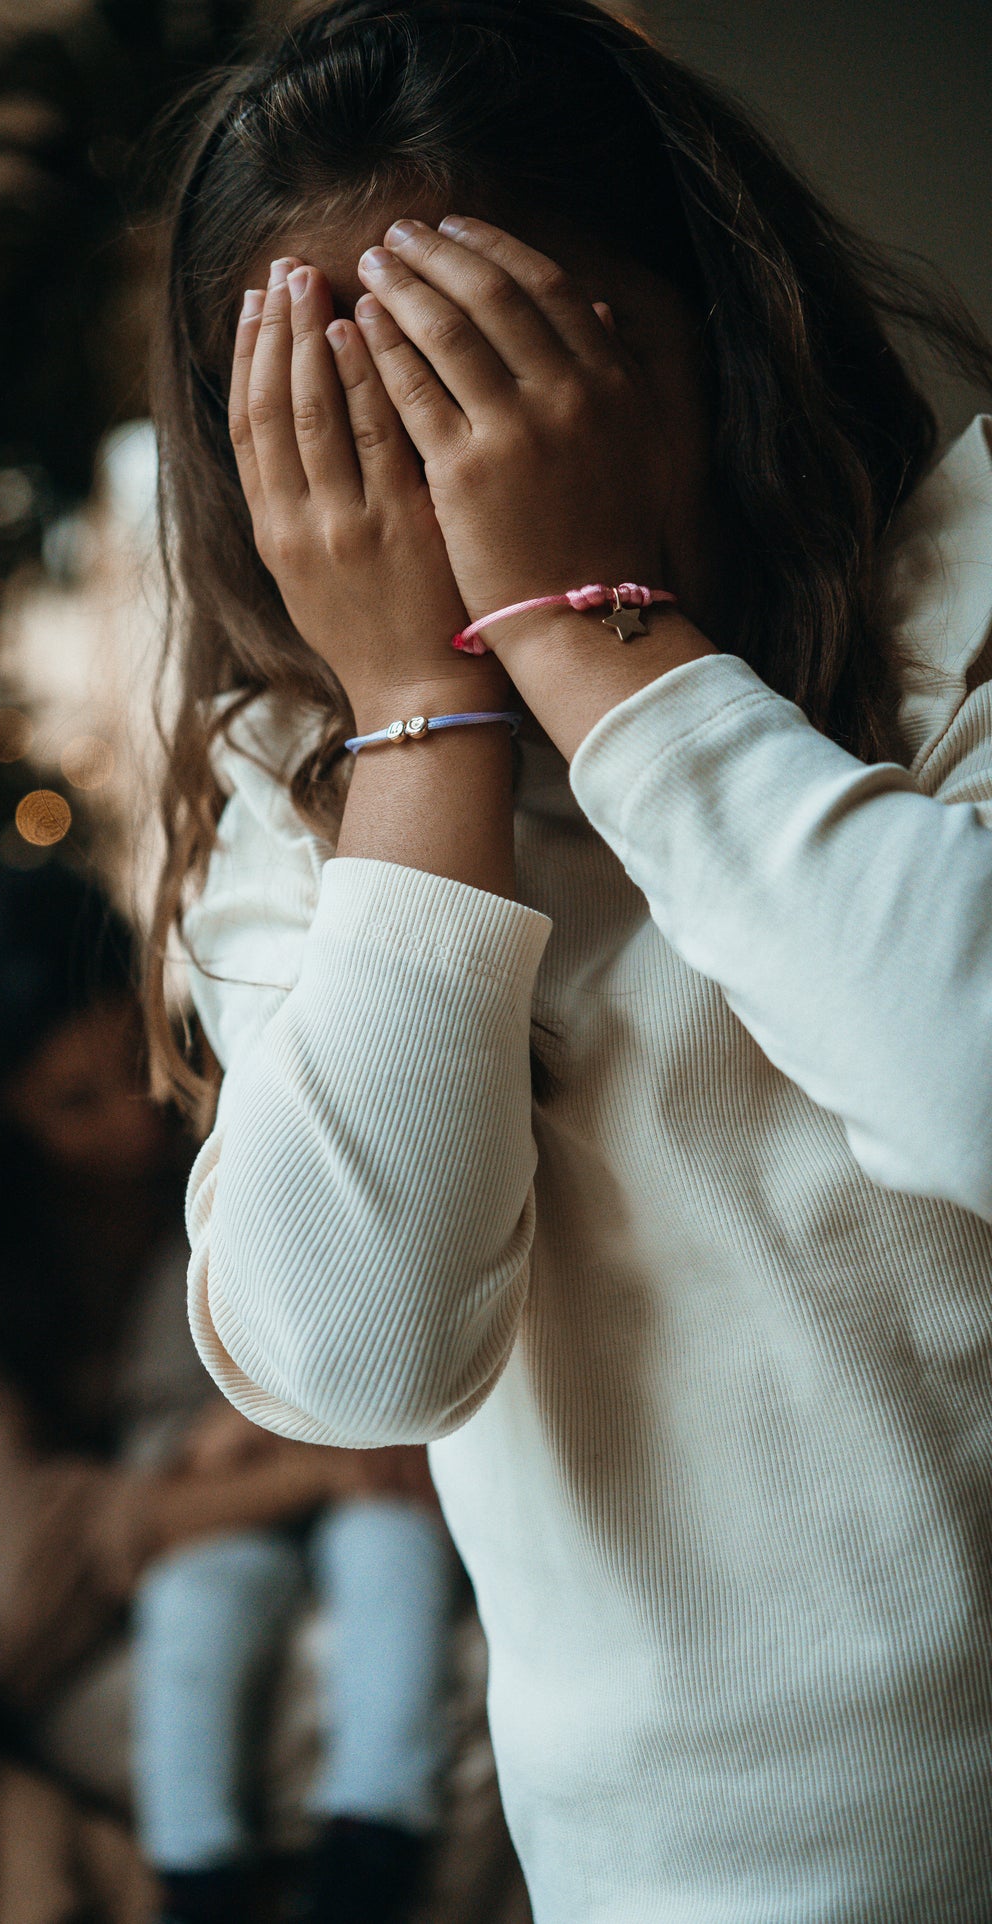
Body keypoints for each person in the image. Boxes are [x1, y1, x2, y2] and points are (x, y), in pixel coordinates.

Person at [143, 2, 992, 1918]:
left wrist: (594, 636)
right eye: (339, 433)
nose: (438, 503)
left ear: (705, 327)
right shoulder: (301, 805)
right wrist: (420, 729)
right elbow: (360, 1358)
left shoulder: (969, 608)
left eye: (481, 382)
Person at [0, 858, 455, 1924]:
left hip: (250, 1502)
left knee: (408, 1623)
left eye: (137, 1062)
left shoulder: (193, 1141)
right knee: (423, 1722)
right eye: (73, 1101)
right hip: (64, 1639)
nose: (136, 1122)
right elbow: (21, 1584)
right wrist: (312, 1466)